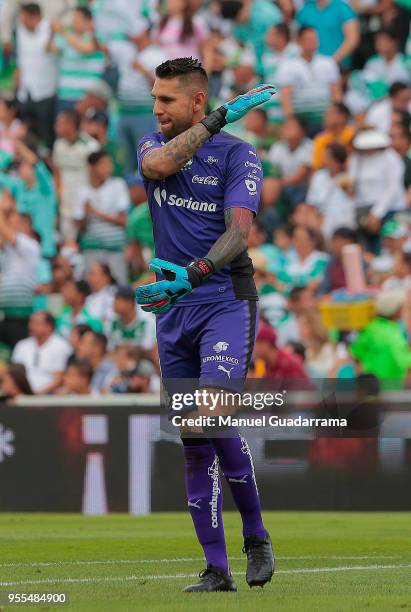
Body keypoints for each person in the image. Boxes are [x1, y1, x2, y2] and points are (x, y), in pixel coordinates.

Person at [135, 58, 276, 591]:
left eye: (167, 100)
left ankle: (256, 536)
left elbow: (239, 234)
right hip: (173, 311)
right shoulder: (152, 145)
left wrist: (193, 275)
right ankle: (216, 570)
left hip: (223, 300)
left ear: (194, 101)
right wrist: (218, 118)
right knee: (193, 436)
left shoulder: (240, 155)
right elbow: (158, 170)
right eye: (154, 98)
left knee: (212, 415)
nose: (156, 109)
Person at [110, 23, 166, 173]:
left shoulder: (157, 55)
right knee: (124, 159)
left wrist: (143, 70)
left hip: (144, 113)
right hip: (124, 112)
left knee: (145, 156)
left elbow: (163, 85)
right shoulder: (128, 51)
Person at [74, 150, 129, 284]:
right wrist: (87, 214)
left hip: (115, 250)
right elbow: (80, 227)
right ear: (92, 167)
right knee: (93, 288)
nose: (109, 167)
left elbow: (123, 220)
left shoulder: (118, 185)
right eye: (103, 164)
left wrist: (96, 213)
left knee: (119, 288)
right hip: (92, 250)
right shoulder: (82, 192)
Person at [277, 26, 341, 135]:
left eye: (314, 39)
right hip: (300, 120)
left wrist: (335, 118)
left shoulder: (328, 63)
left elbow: (336, 93)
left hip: (325, 119)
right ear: (299, 42)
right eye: (308, 39)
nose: (313, 42)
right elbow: (285, 96)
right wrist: (292, 121)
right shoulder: (288, 65)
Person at [15, 2, 58, 150]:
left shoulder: (51, 28)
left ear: (34, 16)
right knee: (27, 134)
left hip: (45, 91)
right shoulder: (21, 31)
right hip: (25, 91)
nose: (22, 21)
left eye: (24, 17)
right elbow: (21, 59)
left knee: (47, 133)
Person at [52, 109, 100, 241]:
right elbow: (56, 171)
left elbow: (97, 174)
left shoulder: (91, 146)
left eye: (59, 123)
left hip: (84, 201)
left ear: (70, 125)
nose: (56, 127)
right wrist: (58, 194)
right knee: (67, 240)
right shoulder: (58, 144)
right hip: (65, 202)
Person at [47, 6, 106, 112]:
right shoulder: (67, 38)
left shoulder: (96, 38)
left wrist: (63, 31)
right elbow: (49, 49)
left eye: (77, 18)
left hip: (87, 98)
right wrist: (53, 31)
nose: (73, 22)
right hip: (65, 96)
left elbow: (85, 49)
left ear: (88, 21)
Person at [0, 209, 41, 348]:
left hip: (21, 316)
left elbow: (5, 231)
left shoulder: (31, 245)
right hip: (4, 315)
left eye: (13, 223)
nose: (9, 226)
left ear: (25, 226)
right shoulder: (6, 250)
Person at [11, 311, 72, 393]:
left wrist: (37, 395)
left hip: (50, 397)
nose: (30, 326)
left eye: (36, 323)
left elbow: (59, 379)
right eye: (30, 322)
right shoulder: (22, 345)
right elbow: (14, 374)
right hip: (21, 394)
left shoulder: (61, 346)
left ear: (49, 327)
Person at [306, 143, 356, 240]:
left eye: (329, 157)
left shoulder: (349, 177)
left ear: (338, 160)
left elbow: (353, 200)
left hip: (344, 220)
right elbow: (311, 204)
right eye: (325, 157)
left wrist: (343, 185)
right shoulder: (318, 176)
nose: (326, 160)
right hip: (321, 219)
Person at [263, 116, 312, 210]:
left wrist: (277, 183)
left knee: (271, 186)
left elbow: (298, 177)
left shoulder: (309, 146)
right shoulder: (277, 147)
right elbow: (271, 171)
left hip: (300, 188)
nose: (286, 130)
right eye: (286, 127)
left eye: (291, 127)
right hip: (280, 186)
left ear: (302, 131)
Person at [296, 0, 359, 66]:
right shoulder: (306, 9)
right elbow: (297, 37)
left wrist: (331, 62)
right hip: (308, 67)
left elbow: (352, 39)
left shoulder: (343, 8)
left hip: (338, 67)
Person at [312, 102, 354, 170]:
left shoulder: (353, 134)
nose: (326, 115)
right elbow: (317, 167)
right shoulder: (320, 139)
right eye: (326, 113)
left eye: (331, 113)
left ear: (343, 117)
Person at [76, 329, 115, 394]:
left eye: (83, 342)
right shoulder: (82, 368)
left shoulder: (112, 370)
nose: (78, 346)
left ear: (97, 348)